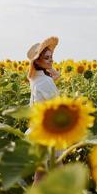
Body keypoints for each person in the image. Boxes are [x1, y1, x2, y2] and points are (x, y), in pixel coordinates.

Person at [25, 36, 61, 184]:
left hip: (37, 131)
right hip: (48, 133)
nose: (51, 60)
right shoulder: (45, 82)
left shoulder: (35, 79)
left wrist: (46, 64)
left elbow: (56, 76)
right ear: (37, 61)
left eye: (51, 57)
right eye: (47, 58)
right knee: (58, 176)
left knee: (40, 176)